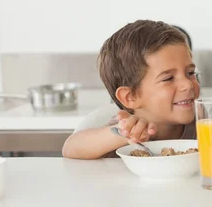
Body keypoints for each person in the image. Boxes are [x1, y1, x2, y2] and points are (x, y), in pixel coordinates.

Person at [62, 20, 199, 159]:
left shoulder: (208, 125)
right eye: (168, 78)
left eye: (190, 73)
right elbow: (70, 148)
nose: (187, 84)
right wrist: (123, 135)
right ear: (130, 97)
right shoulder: (125, 127)